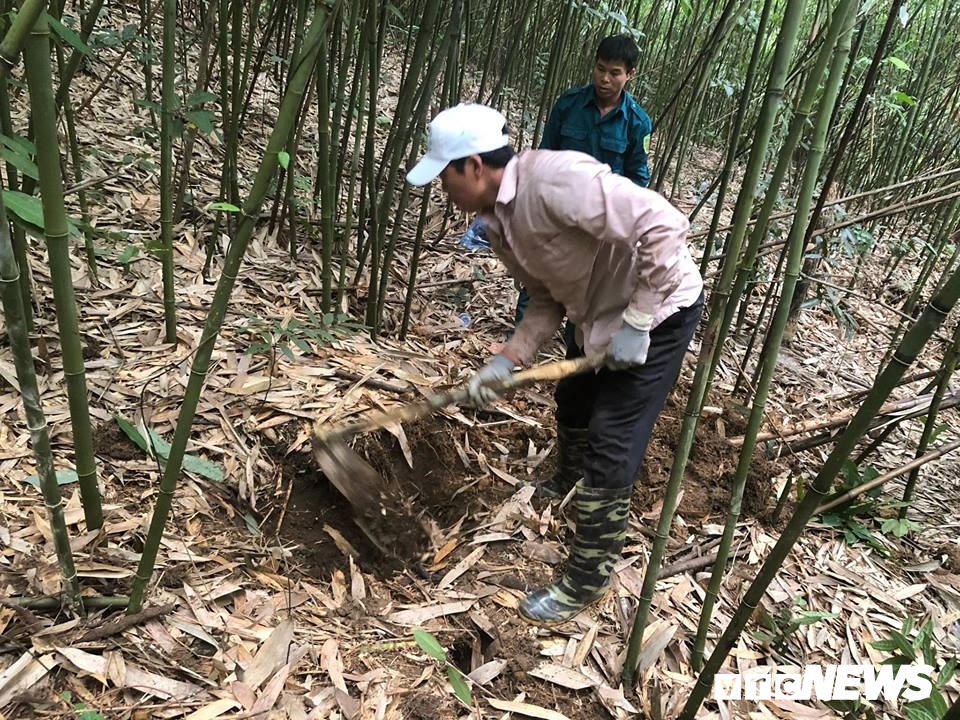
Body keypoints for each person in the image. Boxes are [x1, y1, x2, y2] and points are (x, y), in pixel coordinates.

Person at [406, 103, 703, 626]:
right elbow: (544, 298)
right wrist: (506, 360)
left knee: (613, 439)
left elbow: (664, 224)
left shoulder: (556, 182)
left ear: (474, 167)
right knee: (573, 401)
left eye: (445, 175)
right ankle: (568, 479)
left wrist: (639, 320)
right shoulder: (497, 222)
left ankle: (589, 576)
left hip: (658, 313)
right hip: (595, 316)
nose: (443, 190)